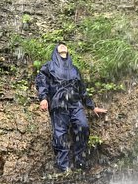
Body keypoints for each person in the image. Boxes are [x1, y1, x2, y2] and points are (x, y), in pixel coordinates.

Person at [35, 43, 107, 173]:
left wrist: (92, 107)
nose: (62, 46)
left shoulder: (74, 69)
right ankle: (64, 167)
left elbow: (82, 90)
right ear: (55, 51)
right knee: (60, 134)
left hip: (75, 104)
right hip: (58, 104)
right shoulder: (49, 66)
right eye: (59, 45)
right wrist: (44, 98)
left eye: (64, 45)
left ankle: (79, 161)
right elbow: (41, 82)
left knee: (83, 126)